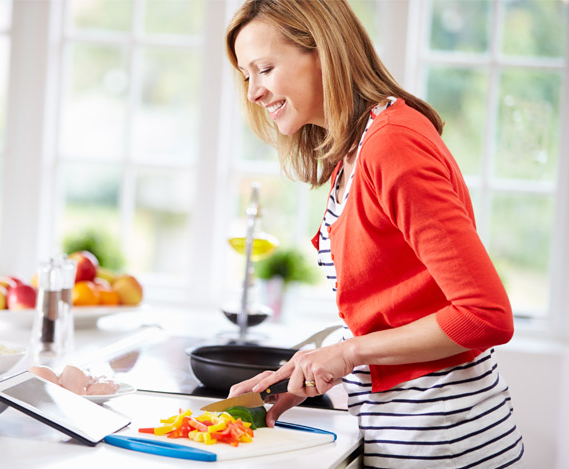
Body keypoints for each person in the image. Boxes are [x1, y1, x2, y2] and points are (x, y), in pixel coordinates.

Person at [224, 1, 525, 467]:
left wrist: (349, 352)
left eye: (265, 68)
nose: (254, 92)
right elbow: (394, 314)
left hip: (444, 443)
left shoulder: (392, 144)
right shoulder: (354, 152)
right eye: (247, 75)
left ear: (324, 51)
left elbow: (484, 315)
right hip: (401, 435)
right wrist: (298, 376)